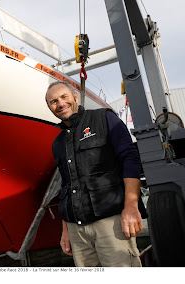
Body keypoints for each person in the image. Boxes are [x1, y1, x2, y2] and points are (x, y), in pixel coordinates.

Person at [45, 81, 147, 267]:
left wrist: (131, 207)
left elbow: (130, 160)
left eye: (64, 97)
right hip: (78, 231)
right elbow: (66, 185)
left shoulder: (104, 118)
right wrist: (66, 230)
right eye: (53, 101)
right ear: (50, 108)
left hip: (111, 223)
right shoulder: (57, 143)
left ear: (75, 97)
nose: (60, 104)